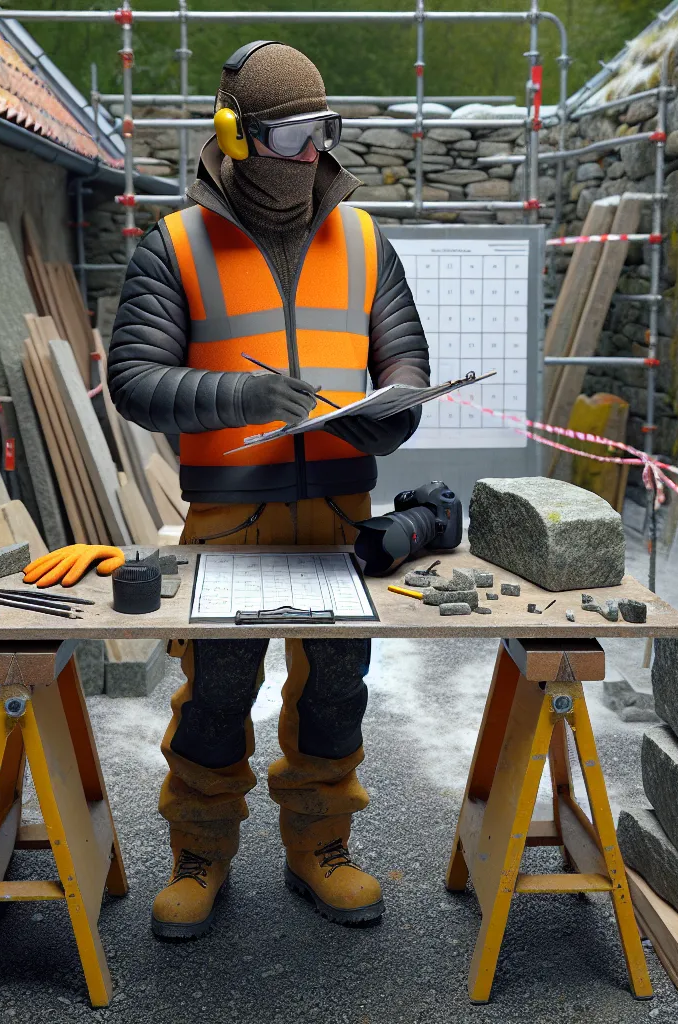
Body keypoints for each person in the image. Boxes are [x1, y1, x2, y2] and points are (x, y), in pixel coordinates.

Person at [106, 39, 429, 941]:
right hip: (228, 516)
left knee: (336, 688)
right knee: (215, 691)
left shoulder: (364, 240)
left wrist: (385, 413)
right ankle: (199, 854)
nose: (312, 155)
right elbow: (133, 379)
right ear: (236, 135)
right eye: (290, 135)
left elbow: (405, 359)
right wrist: (239, 396)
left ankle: (320, 846)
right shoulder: (175, 245)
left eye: (323, 132)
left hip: (339, 520)